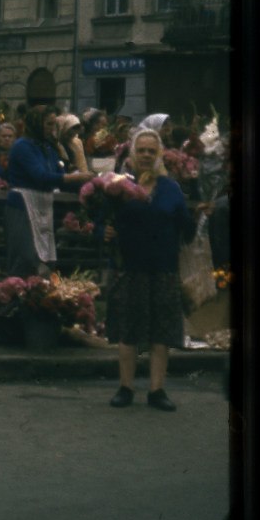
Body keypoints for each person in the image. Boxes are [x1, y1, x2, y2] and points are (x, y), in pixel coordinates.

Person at [104, 129, 204, 412]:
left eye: (151, 150)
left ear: (159, 154)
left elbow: (186, 229)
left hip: (164, 269)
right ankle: (126, 387)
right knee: (128, 329)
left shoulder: (171, 188)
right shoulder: (119, 186)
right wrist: (104, 231)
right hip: (129, 267)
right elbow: (100, 219)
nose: (146, 155)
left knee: (161, 331)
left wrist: (197, 215)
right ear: (133, 153)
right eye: (142, 150)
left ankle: (157, 390)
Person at [5, 105, 93, 277]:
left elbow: (60, 176)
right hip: (22, 206)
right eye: (48, 124)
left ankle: (40, 291)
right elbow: (41, 176)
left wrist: (91, 185)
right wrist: (75, 177)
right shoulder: (22, 146)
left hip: (42, 205)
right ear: (36, 123)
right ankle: (16, 289)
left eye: (54, 124)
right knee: (25, 256)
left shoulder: (48, 148)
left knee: (45, 258)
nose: (52, 129)